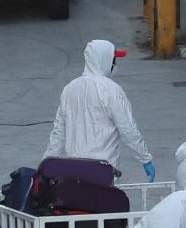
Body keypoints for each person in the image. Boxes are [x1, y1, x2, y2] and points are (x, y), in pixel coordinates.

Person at [45, 40, 155, 181]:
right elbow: (128, 129)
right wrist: (145, 159)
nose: (115, 65)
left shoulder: (69, 89)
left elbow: (58, 133)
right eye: (113, 60)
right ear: (105, 60)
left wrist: (46, 163)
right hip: (103, 171)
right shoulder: (112, 90)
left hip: (72, 171)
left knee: (77, 202)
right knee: (103, 202)